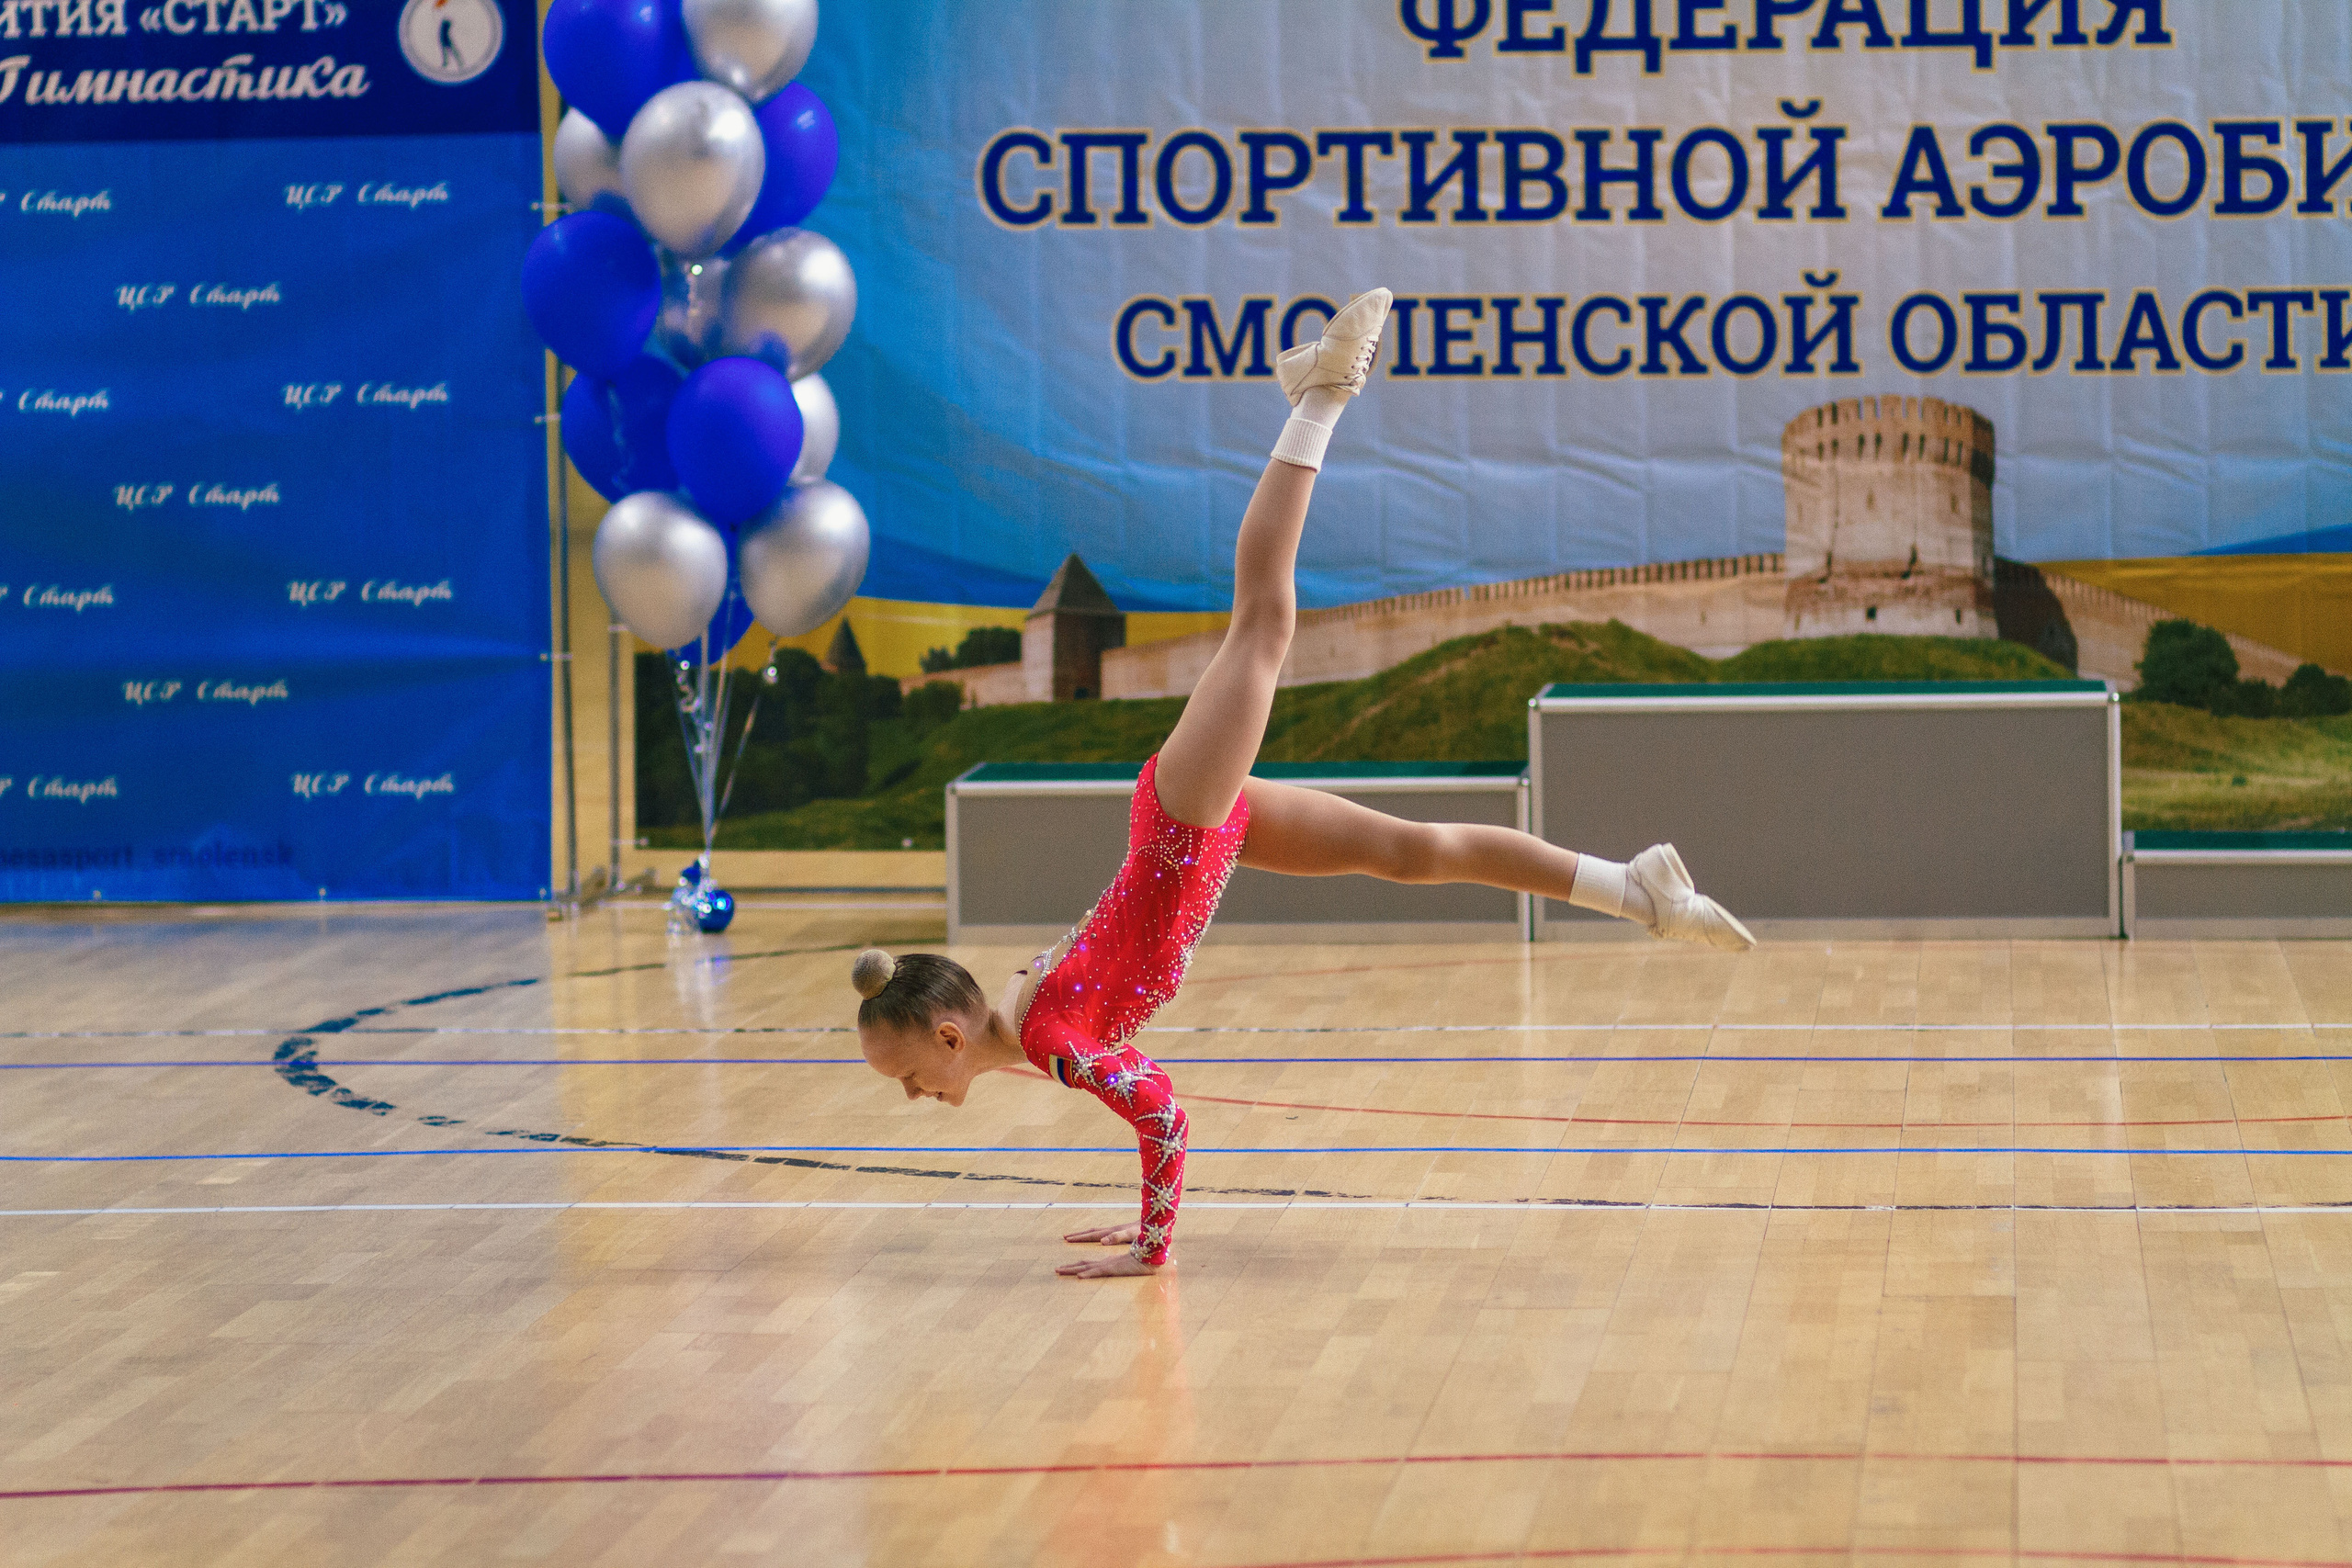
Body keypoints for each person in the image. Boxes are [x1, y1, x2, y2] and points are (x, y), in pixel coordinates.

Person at [853, 288, 1754, 1280]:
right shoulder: (1027, 1023)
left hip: (1182, 827)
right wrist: (1135, 1216)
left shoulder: (1055, 1039)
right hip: (1201, 838)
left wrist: (1151, 1249)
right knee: (1416, 851)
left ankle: (1321, 393)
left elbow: (1164, 1115)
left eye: (908, 1079)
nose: (915, 1096)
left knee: (1263, 624)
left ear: (947, 1036)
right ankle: (1636, 888)